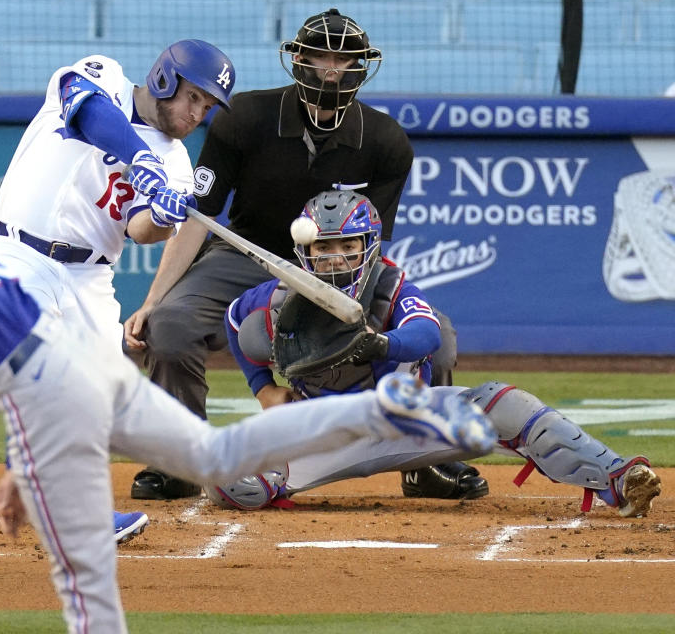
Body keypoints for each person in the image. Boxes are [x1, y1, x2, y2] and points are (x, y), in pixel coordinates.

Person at [0, 101, 499, 634]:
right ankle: (381, 412)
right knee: (211, 455)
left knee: (82, 574)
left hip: (42, 387)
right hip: (68, 370)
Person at [123, 8, 474, 501]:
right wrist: (154, 299)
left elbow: (371, 242)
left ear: (360, 69)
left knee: (435, 333)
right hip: (245, 254)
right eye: (320, 57)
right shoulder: (244, 117)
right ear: (298, 60)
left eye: (344, 60)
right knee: (170, 326)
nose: (331, 70)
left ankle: (428, 461)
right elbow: (194, 219)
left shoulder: (386, 142)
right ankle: (179, 461)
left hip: (339, 268)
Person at [209, 189, 661, 519]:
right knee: (231, 482)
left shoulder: (389, 284)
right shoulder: (278, 296)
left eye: (348, 247)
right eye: (324, 248)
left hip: (412, 421)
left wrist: (382, 344)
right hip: (322, 431)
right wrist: (264, 389)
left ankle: (617, 478)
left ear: (369, 247)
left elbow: (426, 333)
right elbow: (233, 320)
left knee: (509, 405)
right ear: (305, 252)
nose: (336, 259)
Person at [0, 39, 236, 536]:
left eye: (206, 107)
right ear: (165, 78)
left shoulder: (178, 164)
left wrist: (163, 213)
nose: (196, 114)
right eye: (193, 97)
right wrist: (142, 162)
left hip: (88, 276)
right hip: (16, 253)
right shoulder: (104, 78)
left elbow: (141, 229)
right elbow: (87, 109)